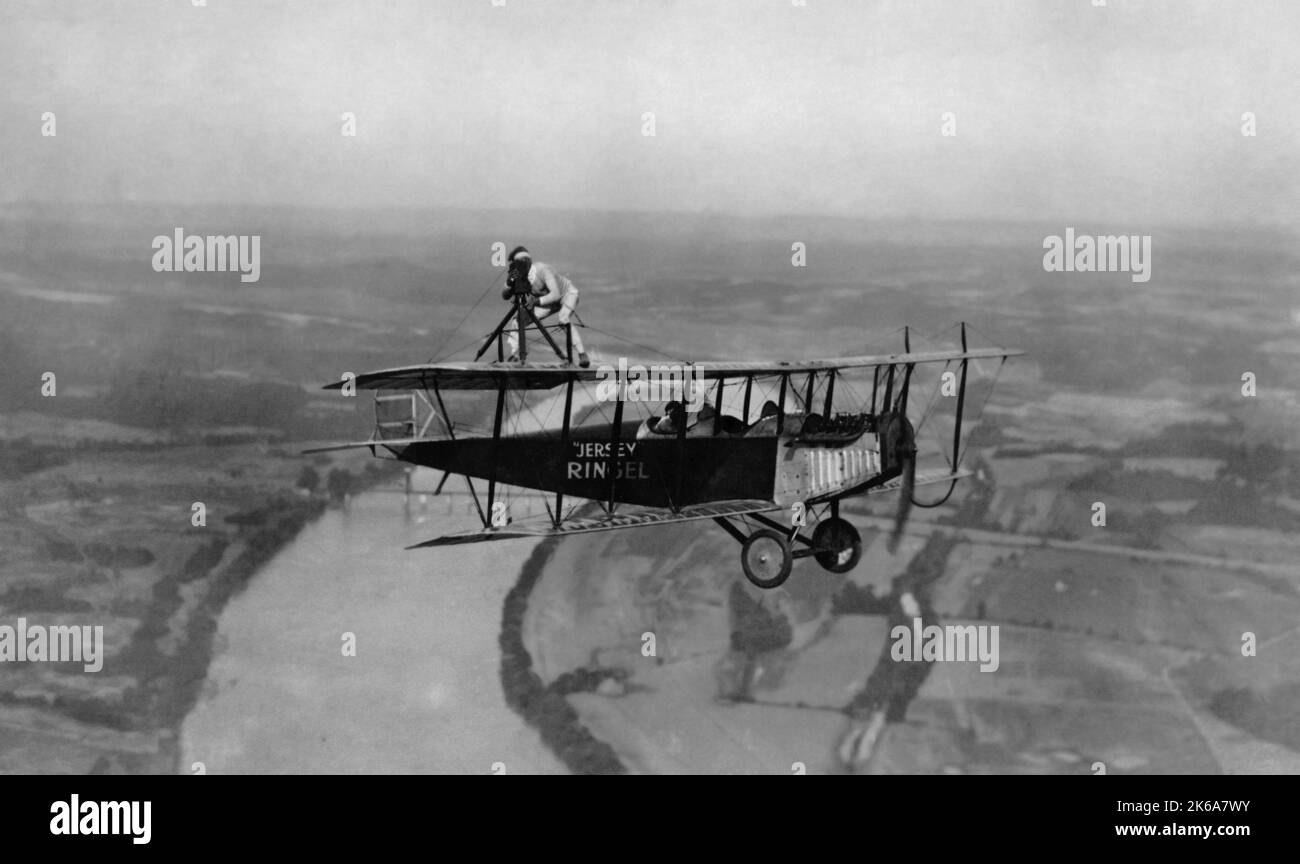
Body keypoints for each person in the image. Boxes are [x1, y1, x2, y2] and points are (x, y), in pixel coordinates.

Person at [503, 246, 589, 367]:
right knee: (518, 319)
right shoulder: (517, 275)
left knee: (563, 319)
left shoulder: (543, 269)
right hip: (547, 301)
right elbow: (505, 295)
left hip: (566, 294)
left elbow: (555, 294)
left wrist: (535, 301)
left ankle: (582, 354)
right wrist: (509, 283)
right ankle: (515, 355)